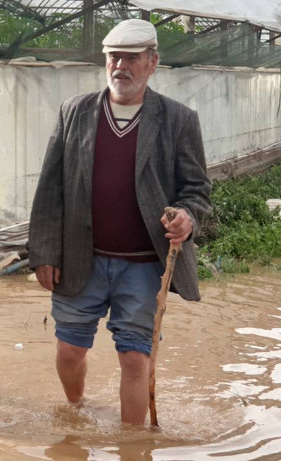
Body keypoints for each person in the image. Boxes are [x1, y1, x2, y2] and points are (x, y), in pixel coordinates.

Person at [28, 18, 212, 425]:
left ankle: (131, 445)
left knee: (134, 357)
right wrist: (43, 252)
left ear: (152, 63)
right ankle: (76, 411)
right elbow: (50, 188)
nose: (121, 67)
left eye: (132, 58)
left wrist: (187, 217)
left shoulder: (178, 119)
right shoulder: (75, 112)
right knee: (69, 351)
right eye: (114, 58)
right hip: (82, 257)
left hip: (144, 265)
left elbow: (197, 189)